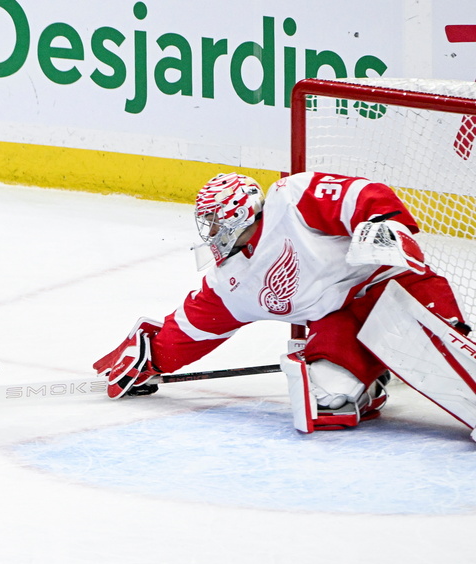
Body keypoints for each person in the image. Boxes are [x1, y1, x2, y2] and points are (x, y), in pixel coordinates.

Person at [93, 171, 475, 436]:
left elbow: (360, 195)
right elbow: (194, 326)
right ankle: (371, 381)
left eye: (214, 222)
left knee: (429, 350)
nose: (209, 233)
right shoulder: (233, 280)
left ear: (239, 215)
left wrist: (386, 226)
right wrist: (151, 359)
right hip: (343, 321)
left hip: (395, 288)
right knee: (324, 399)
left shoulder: (290, 201)